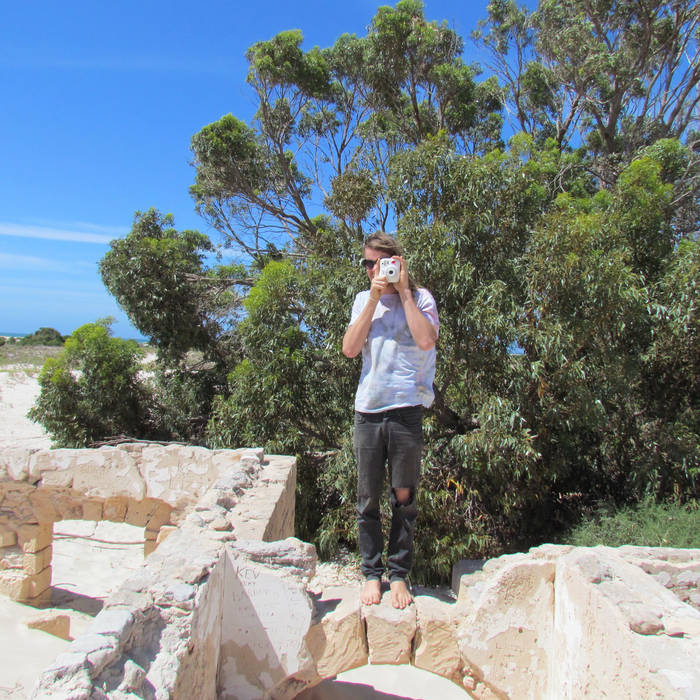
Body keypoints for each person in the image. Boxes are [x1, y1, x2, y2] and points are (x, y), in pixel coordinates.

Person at [342, 232, 439, 609]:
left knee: (404, 497)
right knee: (367, 498)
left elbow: (426, 341)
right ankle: (372, 573)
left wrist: (403, 294)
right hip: (368, 411)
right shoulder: (362, 300)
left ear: (397, 262)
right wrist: (373, 299)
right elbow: (350, 349)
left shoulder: (422, 298)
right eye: (367, 264)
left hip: (406, 409)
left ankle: (398, 576)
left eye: (379, 263)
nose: (372, 270)